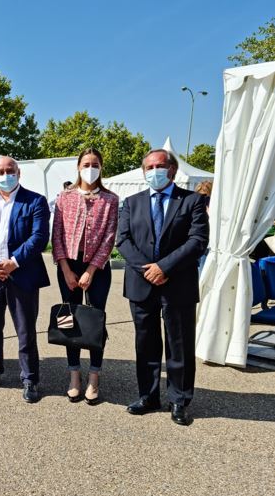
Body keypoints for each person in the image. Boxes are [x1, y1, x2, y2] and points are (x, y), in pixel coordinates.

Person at [117, 149, 208, 426]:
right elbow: (123, 240)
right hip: (141, 283)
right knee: (145, 343)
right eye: (149, 166)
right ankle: (148, 396)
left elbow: (197, 240)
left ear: (172, 169)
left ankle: (179, 400)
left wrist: (164, 267)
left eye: (160, 165)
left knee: (178, 344)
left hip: (177, 283)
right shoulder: (132, 202)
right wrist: (149, 270)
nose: (154, 170)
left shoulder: (192, 201)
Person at [0, 157, 50, 403]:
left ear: (18, 173)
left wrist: (13, 263)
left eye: (9, 171)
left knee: (25, 331)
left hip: (21, 275)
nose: (5, 175)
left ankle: (30, 379)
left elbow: (38, 237)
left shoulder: (35, 201)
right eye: (1, 172)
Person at [51, 148, 119, 405]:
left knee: (95, 321)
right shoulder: (65, 196)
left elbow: (109, 238)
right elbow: (56, 235)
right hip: (69, 265)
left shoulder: (110, 200)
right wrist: (66, 268)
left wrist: (91, 270)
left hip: (97, 268)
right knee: (69, 320)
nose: (90, 168)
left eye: (95, 164)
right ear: (78, 167)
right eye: (86, 163)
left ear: (101, 167)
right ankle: (74, 376)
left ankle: (94, 376)